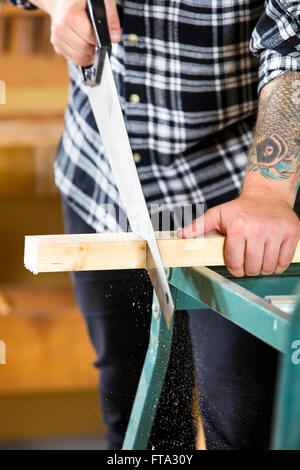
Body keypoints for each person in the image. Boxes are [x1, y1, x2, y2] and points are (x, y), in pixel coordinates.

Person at [10, 0, 300, 450]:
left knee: (243, 430)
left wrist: (268, 190)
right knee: (137, 424)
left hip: (235, 208)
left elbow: (294, 34)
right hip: (103, 183)